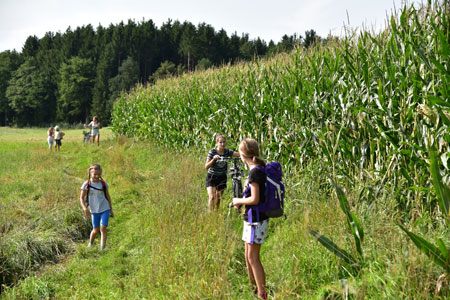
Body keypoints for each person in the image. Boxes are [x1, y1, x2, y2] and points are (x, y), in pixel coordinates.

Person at [232, 138, 268, 300]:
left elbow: (255, 199)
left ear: (242, 155)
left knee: (253, 258)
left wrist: (238, 201)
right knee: (248, 256)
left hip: (256, 220)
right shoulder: (257, 169)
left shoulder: (255, 172)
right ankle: (252, 290)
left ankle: (262, 294)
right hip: (252, 218)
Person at [80, 164, 114, 250]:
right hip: (94, 211)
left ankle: (102, 247)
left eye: (99, 174)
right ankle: (91, 243)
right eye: (95, 174)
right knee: (95, 230)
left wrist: (111, 209)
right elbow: (81, 198)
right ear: (90, 173)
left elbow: (108, 196)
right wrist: (85, 209)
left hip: (105, 208)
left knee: (103, 228)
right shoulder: (86, 184)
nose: (97, 176)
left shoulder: (103, 183)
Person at [205, 133, 239, 211]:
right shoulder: (212, 152)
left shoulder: (227, 151)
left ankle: (216, 214)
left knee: (218, 198)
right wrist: (213, 159)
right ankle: (209, 214)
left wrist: (248, 154)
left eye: (224, 142)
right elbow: (206, 166)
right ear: (217, 143)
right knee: (212, 197)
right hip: (212, 176)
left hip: (222, 177)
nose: (223, 144)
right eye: (220, 142)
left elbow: (237, 154)